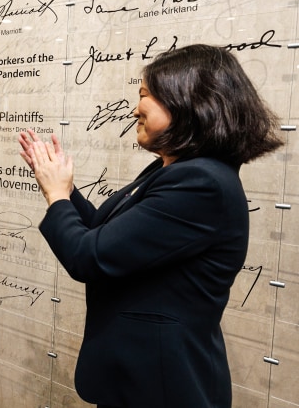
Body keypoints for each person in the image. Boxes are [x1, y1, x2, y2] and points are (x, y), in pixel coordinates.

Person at [18, 44, 283, 408]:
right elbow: (102, 230)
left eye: (145, 95)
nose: (134, 108)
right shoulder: (175, 170)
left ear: (188, 102)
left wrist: (57, 196)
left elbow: (89, 257)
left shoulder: (201, 184)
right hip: (138, 379)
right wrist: (61, 186)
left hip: (161, 387)